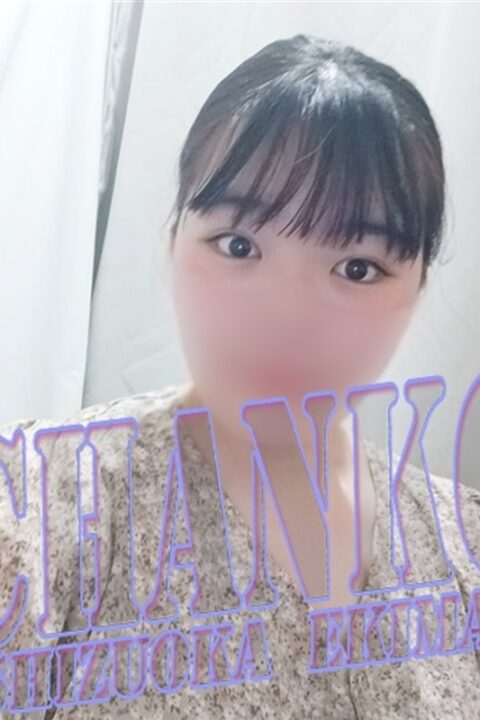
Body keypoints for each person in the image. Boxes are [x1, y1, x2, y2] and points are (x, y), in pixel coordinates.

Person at [1, 34, 479, 719]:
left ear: (420, 286)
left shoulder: (463, 544)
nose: (286, 317)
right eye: (239, 245)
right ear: (172, 242)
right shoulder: (39, 504)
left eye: (357, 267)